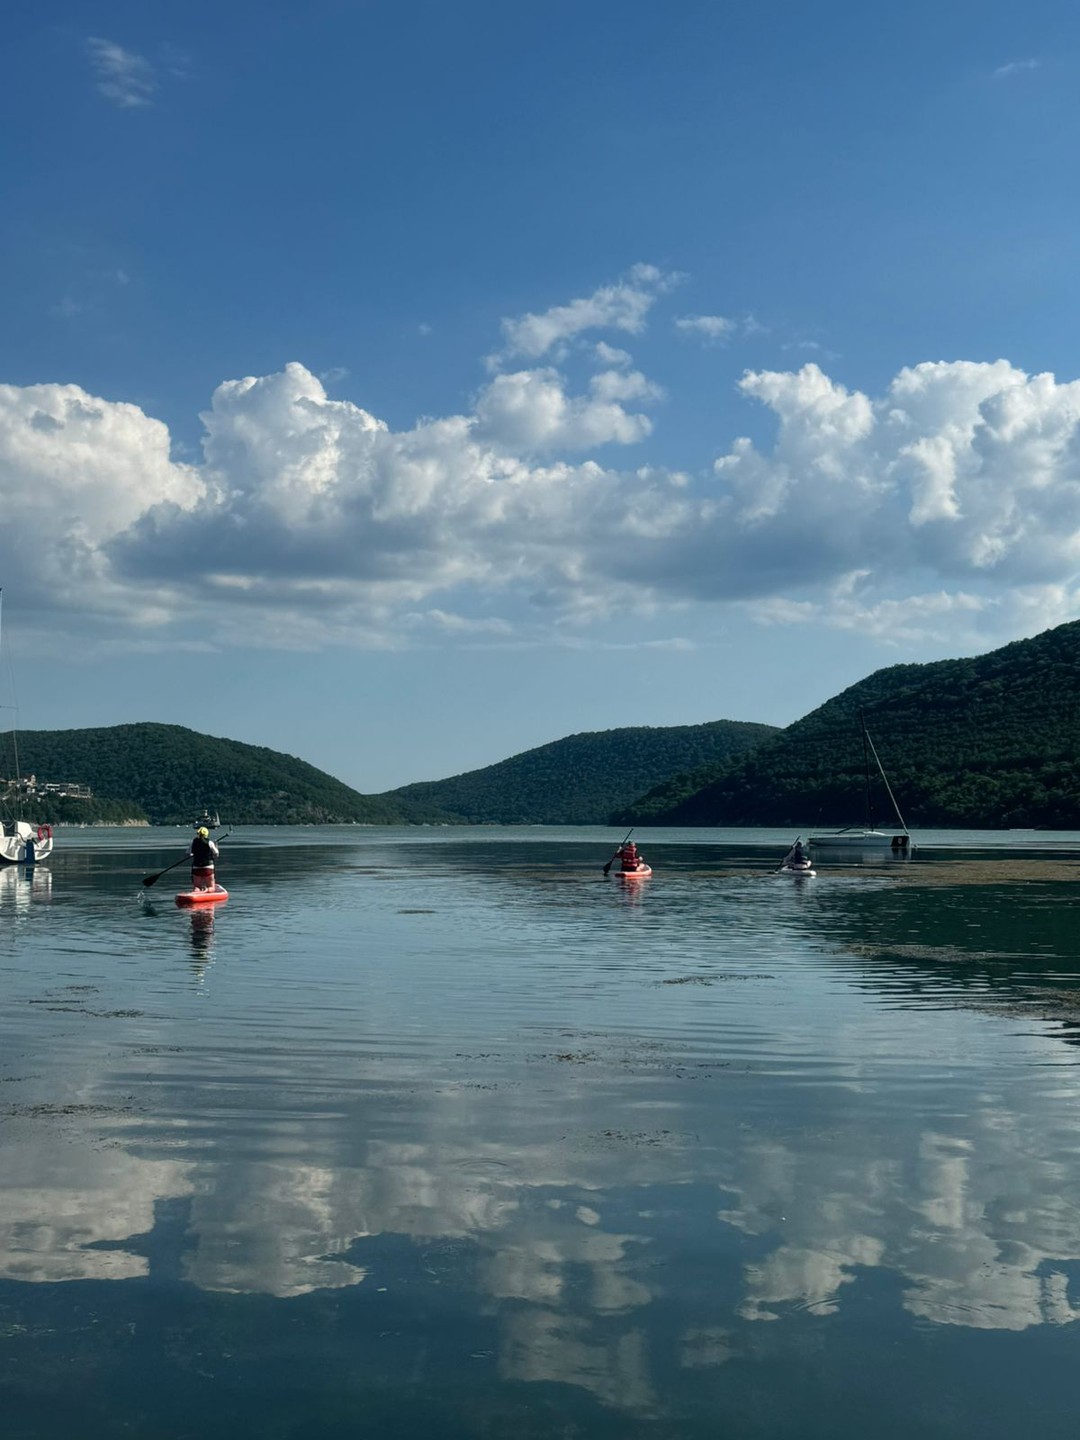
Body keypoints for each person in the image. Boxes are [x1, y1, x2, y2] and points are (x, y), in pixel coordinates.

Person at [189, 826, 220, 891]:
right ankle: (207, 890)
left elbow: (187, 853)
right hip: (208, 867)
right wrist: (216, 845)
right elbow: (216, 854)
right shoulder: (210, 843)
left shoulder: (194, 842)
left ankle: (197, 891)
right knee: (211, 887)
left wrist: (192, 854)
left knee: (196, 887)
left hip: (196, 867)